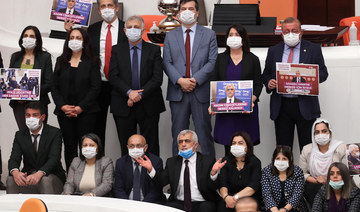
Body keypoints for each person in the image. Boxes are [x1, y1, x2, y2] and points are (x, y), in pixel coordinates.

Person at [64, 0, 127, 149]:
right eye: (103, 6)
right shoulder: (92, 29)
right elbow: (78, 49)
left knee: (124, 129)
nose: (107, 9)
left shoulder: (127, 28)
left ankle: (127, 168)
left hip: (121, 86)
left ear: (116, 8)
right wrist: (69, 31)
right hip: (98, 86)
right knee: (97, 130)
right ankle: (99, 166)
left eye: (110, 6)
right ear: (98, 10)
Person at [261, 17, 328, 151]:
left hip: (305, 105)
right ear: (281, 34)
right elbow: (266, 74)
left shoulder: (313, 49)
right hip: (282, 106)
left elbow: (324, 73)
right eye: (286, 31)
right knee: (283, 149)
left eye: (294, 30)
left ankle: (309, 173)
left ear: (301, 32)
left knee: (308, 148)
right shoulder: (274, 50)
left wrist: (311, 77)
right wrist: (269, 82)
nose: (290, 34)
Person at [163, 0, 218, 157]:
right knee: (179, 138)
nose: (187, 11)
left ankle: (209, 178)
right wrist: (180, 80)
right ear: (179, 12)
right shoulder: (170, 36)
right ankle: (178, 177)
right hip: (178, 92)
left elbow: (212, 61)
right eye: (184, 9)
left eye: (191, 9)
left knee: (205, 137)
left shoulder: (209, 34)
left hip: (200, 91)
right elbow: (166, 62)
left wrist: (194, 80)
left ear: (197, 12)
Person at [108, 15, 165, 156]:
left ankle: (152, 177)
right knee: (126, 146)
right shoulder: (116, 50)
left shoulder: (154, 50)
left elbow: (157, 78)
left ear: (143, 30)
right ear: (124, 30)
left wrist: (139, 94)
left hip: (149, 104)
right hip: (123, 104)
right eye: (130, 27)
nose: (133, 30)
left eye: (137, 27)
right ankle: (129, 177)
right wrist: (129, 93)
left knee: (151, 146)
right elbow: (113, 76)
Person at [137, 130, 226, 212]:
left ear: (195, 145)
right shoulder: (172, 162)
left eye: (187, 141)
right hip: (179, 202)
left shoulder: (207, 161)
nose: (183, 144)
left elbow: (213, 186)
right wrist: (150, 169)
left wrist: (213, 173)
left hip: (203, 201)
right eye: (180, 142)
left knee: (207, 208)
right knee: (168, 208)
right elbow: (161, 182)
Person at [51, 28, 101, 171]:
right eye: (72, 37)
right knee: (69, 147)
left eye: (78, 38)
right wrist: (62, 106)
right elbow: (54, 86)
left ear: (85, 42)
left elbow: (95, 88)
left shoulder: (92, 61)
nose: (74, 41)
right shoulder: (61, 60)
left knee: (86, 147)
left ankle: (87, 178)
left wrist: (80, 108)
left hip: (87, 112)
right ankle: (71, 180)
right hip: (64, 113)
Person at [211, 23, 263, 154]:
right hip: (226, 112)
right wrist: (212, 103)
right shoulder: (220, 59)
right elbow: (214, 83)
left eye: (237, 35)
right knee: (228, 148)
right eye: (230, 35)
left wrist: (252, 98)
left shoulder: (253, 59)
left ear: (243, 39)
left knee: (245, 148)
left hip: (245, 113)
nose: (233, 37)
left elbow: (258, 83)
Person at [7, 102, 66, 194]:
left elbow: (54, 159)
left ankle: (47, 208)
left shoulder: (55, 133)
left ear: (42, 117)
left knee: (44, 180)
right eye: (28, 115)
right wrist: (15, 172)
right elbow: (14, 158)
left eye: (35, 115)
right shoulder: (20, 135)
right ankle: (12, 208)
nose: (31, 118)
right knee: (11, 180)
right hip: (30, 177)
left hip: (52, 177)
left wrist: (40, 173)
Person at [9, 25, 53, 130]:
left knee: (38, 135)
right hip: (19, 104)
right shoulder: (15, 57)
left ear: (37, 40)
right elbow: (9, 80)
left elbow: (49, 83)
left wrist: (30, 94)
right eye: (25, 35)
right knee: (24, 135)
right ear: (22, 38)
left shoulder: (45, 57)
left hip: (39, 103)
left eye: (32, 36)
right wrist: (17, 95)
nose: (28, 38)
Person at [299, 118, 347, 206]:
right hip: (315, 184)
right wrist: (316, 180)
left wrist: (328, 180)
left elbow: (345, 172)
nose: (320, 134)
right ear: (313, 135)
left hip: (337, 183)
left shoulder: (341, 148)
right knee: (311, 188)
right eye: (317, 132)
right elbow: (302, 173)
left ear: (330, 134)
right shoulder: (307, 149)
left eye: (324, 131)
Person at [113, 134, 166, 203]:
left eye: (139, 145)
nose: (135, 149)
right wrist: (127, 205)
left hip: (149, 204)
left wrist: (142, 206)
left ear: (145, 147)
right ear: (127, 148)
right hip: (126, 204)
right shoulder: (120, 162)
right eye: (131, 146)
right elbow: (118, 189)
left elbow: (156, 190)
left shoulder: (155, 161)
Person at [218, 131, 261, 212]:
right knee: (222, 205)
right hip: (229, 197)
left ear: (247, 147)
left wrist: (235, 198)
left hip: (248, 197)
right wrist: (226, 197)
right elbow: (223, 183)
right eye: (234, 143)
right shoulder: (225, 160)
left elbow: (253, 186)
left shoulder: (255, 162)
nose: (236, 145)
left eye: (240, 143)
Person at [261, 146, 308, 212]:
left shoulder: (297, 171)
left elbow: (297, 193)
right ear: (273, 159)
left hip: (293, 207)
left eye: (284, 159)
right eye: (277, 158)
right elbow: (266, 193)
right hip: (272, 207)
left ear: (289, 160)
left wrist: (285, 209)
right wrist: (274, 210)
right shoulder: (267, 171)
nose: (280, 161)